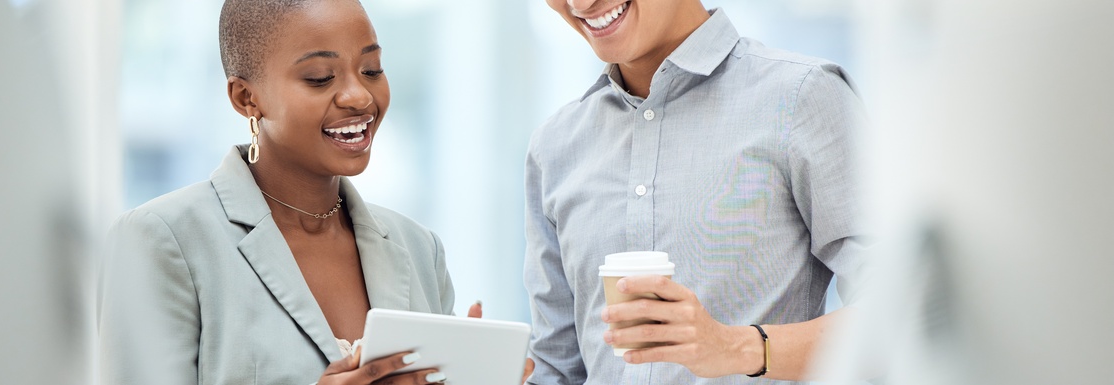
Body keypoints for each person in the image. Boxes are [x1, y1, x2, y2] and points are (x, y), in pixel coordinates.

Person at [99, 1, 454, 384]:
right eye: (320, 77)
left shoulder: (420, 249)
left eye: (372, 70)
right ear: (246, 98)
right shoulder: (161, 240)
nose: (359, 97)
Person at [523, 0, 870, 384]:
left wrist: (736, 347)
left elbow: (904, 314)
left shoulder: (802, 98)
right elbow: (555, 371)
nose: (581, 3)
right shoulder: (555, 147)